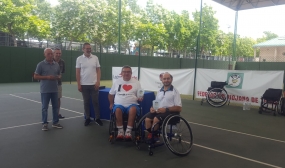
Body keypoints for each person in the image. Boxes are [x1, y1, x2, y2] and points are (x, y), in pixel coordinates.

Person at [108, 65, 143, 140]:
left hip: (132, 104)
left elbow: (140, 94)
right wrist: (111, 103)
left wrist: (141, 97)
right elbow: (111, 94)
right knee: (117, 109)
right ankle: (120, 132)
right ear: (121, 73)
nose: (126, 73)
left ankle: (128, 132)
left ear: (131, 73)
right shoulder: (117, 82)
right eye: (124, 72)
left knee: (133, 109)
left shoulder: (136, 82)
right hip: (119, 104)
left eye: (128, 72)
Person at [145, 72, 182, 139]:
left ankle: (153, 135)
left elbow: (179, 108)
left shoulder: (175, 91)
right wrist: (152, 108)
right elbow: (156, 102)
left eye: (168, 79)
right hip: (159, 111)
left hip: (170, 113)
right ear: (161, 80)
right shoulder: (159, 90)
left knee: (156, 119)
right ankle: (153, 134)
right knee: (147, 119)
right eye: (164, 79)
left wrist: (166, 109)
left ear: (171, 79)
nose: (166, 80)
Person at [34, 48, 63, 131]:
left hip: (55, 89)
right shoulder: (40, 64)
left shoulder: (56, 64)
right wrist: (47, 77)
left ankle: (55, 123)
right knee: (44, 108)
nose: (50, 55)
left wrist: (58, 77)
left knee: (55, 107)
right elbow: (36, 76)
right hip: (45, 90)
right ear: (45, 55)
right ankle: (45, 123)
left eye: (51, 54)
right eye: (48, 54)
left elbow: (59, 74)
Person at [76, 43, 103, 126]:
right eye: (87, 48)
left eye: (90, 48)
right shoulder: (79, 59)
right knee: (86, 102)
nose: (89, 50)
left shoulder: (95, 58)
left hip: (94, 84)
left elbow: (98, 70)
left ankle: (97, 118)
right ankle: (87, 118)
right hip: (84, 84)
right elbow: (77, 72)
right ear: (83, 49)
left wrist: (98, 82)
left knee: (95, 101)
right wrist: (79, 84)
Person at [53, 48, 65, 119]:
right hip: (50, 84)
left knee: (58, 99)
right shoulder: (50, 61)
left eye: (59, 53)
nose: (58, 55)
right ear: (54, 53)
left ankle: (57, 114)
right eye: (57, 53)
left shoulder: (62, 62)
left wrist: (59, 76)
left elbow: (62, 72)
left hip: (59, 84)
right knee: (48, 100)